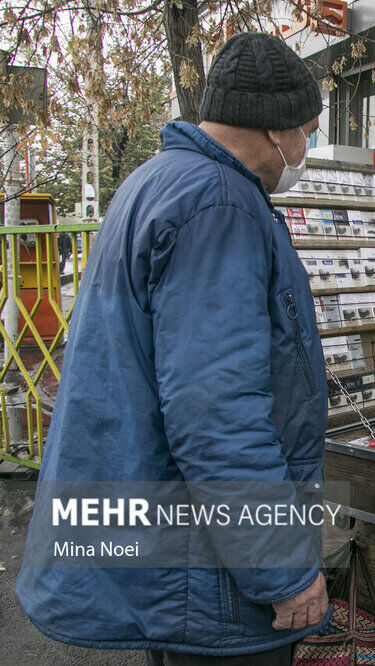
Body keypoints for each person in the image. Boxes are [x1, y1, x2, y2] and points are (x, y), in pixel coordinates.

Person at [16, 32, 332, 664]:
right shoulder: (220, 204)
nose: (305, 149)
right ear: (277, 129)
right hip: (207, 568)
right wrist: (283, 569)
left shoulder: (157, 180)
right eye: (307, 131)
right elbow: (217, 412)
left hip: (172, 542)